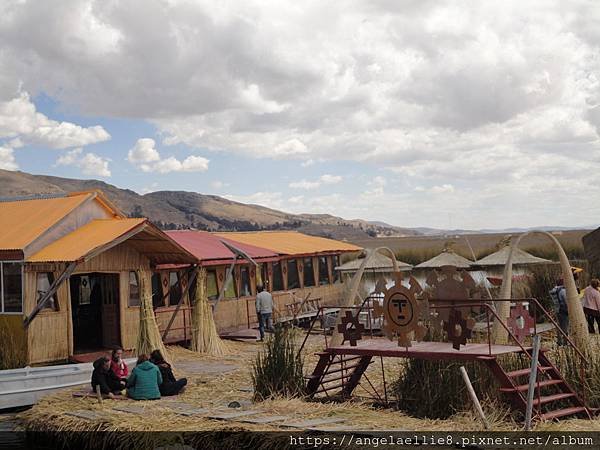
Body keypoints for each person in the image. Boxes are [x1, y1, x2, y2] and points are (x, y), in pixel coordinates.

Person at [549, 279, 568, 346]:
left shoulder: (554, 290)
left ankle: (559, 341)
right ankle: (565, 342)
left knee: (559, 326)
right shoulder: (562, 291)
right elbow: (566, 301)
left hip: (557, 310)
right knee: (565, 326)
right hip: (563, 310)